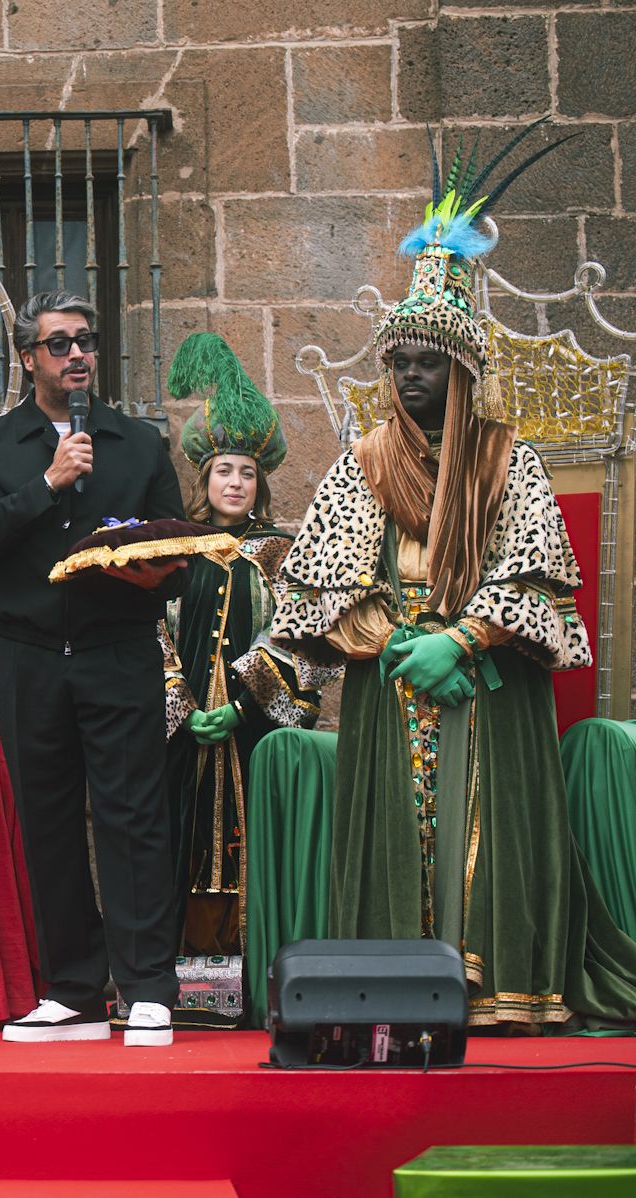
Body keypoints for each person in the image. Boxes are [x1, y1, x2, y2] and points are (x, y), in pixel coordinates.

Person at [270, 130, 636, 1029]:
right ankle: (393, 988)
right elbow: (320, 582)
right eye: (398, 363)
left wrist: (463, 639)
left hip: (490, 680)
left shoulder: (510, 459)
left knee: (488, 834)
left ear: (465, 372)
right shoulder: (363, 461)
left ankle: (505, 989)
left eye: (427, 363)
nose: (408, 378)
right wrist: (398, 641)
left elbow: (541, 575)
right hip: (393, 675)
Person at [0, 290, 187, 1047]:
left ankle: (148, 986)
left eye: (86, 341)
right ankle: (74, 990)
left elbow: (176, 548)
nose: (78, 354)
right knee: (48, 825)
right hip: (29, 658)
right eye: (59, 344)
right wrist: (48, 483)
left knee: (133, 818)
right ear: (28, 358)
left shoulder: (139, 442)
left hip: (118, 651)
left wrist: (159, 573)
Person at [156, 333, 330, 1024]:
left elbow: (302, 637)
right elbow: (151, 632)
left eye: (247, 473)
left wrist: (244, 699)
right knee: (187, 853)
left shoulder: (282, 555)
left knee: (248, 854)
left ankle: (253, 990)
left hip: (255, 739)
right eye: (225, 470)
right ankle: (194, 995)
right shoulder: (172, 550)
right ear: (203, 476)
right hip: (180, 742)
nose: (235, 483)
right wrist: (181, 699)